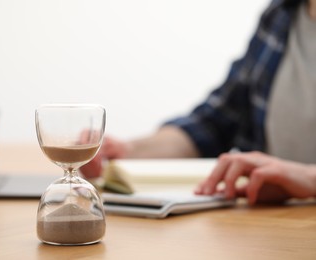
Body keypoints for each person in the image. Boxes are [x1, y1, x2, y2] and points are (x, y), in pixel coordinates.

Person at [81, 0, 316, 205]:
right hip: (273, 228)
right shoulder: (282, 14)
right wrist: (128, 152)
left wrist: (308, 178)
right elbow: (213, 123)